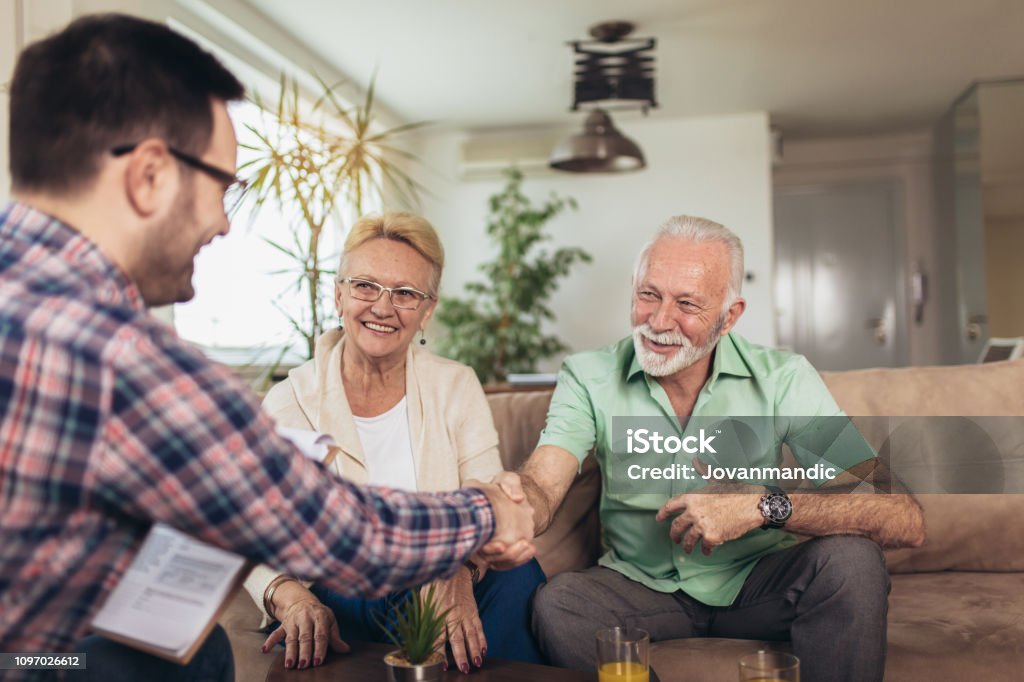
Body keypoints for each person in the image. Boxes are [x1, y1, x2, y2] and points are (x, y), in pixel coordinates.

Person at [0, 14, 534, 682]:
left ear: (427, 308)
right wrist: (488, 513)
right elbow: (343, 532)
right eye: (222, 186)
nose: (224, 222)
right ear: (148, 177)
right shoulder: (116, 355)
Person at [490, 216, 925, 682]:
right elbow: (545, 479)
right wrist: (513, 507)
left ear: (729, 315)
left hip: (757, 582)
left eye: (687, 304)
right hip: (639, 587)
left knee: (852, 562)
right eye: (648, 295)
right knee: (558, 603)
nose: (658, 322)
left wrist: (761, 507)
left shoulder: (783, 378)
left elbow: (901, 516)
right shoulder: (588, 376)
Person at [243, 211, 545, 673]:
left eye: (405, 293)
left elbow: (488, 505)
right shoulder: (290, 401)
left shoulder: (456, 386)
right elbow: (252, 531)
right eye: (365, 286)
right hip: (343, 591)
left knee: (518, 574)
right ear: (339, 293)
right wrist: (290, 597)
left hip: (436, 579)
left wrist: (459, 572)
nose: (383, 308)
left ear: (427, 310)